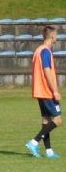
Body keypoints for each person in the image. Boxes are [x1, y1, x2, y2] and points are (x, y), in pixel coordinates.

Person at [25, 26, 62, 159]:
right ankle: (34, 142)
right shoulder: (45, 51)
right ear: (52, 36)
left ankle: (49, 151)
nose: (57, 37)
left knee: (46, 120)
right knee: (58, 120)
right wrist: (55, 91)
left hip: (40, 90)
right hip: (47, 91)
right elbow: (47, 71)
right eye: (56, 35)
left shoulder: (38, 50)